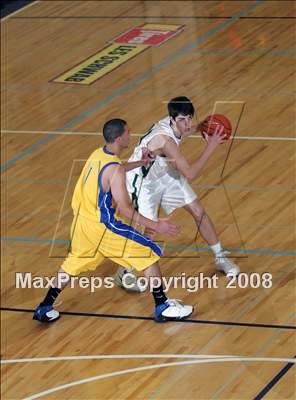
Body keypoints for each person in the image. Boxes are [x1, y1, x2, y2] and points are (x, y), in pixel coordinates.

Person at [33, 118, 193, 323]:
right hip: (104, 227)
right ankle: (162, 306)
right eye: (128, 132)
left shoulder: (98, 154)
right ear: (119, 138)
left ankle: (45, 306)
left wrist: (140, 163)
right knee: (149, 252)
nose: (130, 134)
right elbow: (126, 210)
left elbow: (114, 170)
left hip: (82, 225)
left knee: (72, 264)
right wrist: (156, 225)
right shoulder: (115, 169)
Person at [114, 97, 240, 292]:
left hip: (164, 173)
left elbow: (189, 129)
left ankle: (221, 257)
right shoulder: (165, 140)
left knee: (198, 210)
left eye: (190, 118)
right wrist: (211, 145)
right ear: (171, 119)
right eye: (183, 119)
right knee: (151, 230)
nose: (187, 123)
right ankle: (125, 270)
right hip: (143, 181)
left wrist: (203, 127)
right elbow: (191, 174)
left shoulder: (178, 124)